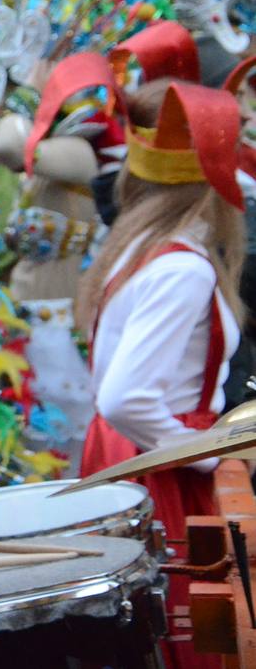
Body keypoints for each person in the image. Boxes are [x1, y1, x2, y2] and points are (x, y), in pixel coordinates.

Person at [78, 78, 246, 669]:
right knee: (196, 635)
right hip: (163, 467)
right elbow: (125, 397)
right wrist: (209, 453)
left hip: (139, 455)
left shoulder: (143, 243)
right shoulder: (182, 268)